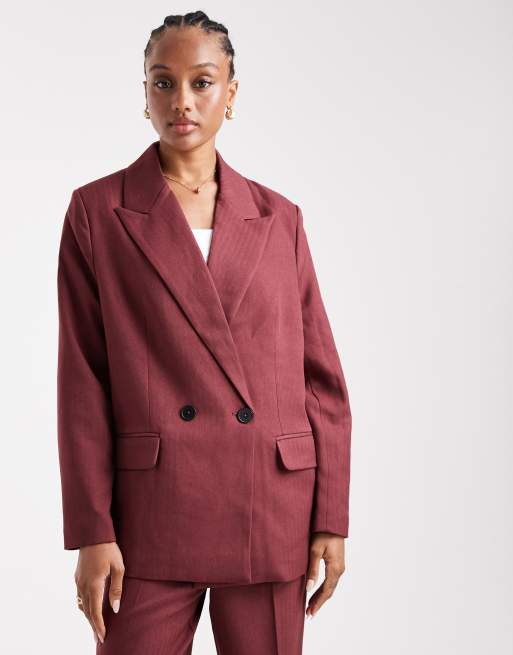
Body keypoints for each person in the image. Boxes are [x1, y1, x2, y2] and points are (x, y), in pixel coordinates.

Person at [56, 10, 352, 654]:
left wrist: (331, 515)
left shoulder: (279, 217)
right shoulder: (98, 212)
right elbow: (83, 380)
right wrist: (91, 529)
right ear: (144, 92)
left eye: (202, 82)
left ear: (231, 93)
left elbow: (320, 379)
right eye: (163, 82)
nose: (181, 101)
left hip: (269, 504)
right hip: (150, 510)